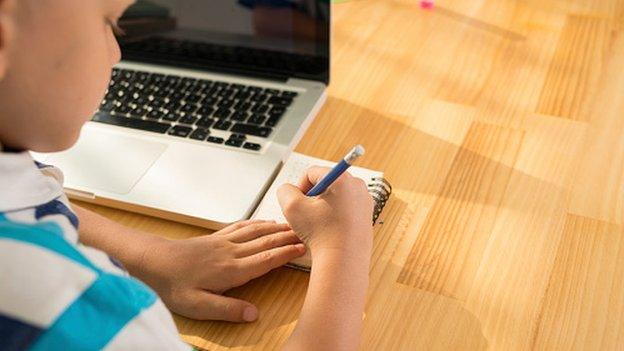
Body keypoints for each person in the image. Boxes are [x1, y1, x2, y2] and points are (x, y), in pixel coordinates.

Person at [0, 0, 375, 350]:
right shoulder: (66, 306)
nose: (117, 53)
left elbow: (32, 191)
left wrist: (149, 256)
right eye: (109, 22)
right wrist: (344, 250)